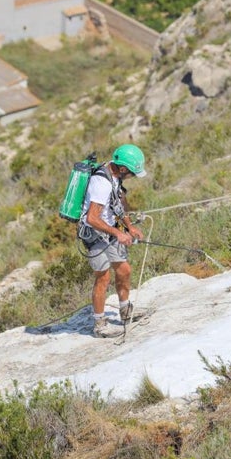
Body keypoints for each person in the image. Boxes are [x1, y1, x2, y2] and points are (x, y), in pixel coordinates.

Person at [80, 144, 146, 337]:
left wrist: (129, 227)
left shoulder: (114, 177)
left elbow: (117, 205)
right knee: (103, 278)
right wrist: (118, 233)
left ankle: (125, 311)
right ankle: (100, 325)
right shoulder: (102, 183)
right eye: (132, 173)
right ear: (123, 169)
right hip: (94, 235)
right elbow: (92, 218)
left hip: (110, 231)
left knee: (124, 270)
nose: (132, 177)